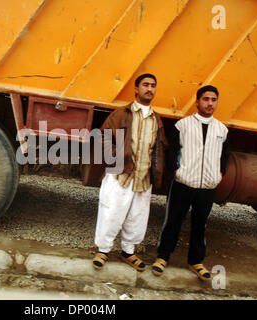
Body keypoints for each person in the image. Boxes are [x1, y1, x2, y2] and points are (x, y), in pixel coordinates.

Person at [151, 85, 229, 281]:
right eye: (206, 99)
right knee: (173, 222)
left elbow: (225, 157)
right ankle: (162, 257)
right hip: (184, 183)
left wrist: (219, 174)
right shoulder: (183, 125)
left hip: (207, 187)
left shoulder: (222, 129)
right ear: (198, 102)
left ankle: (196, 261)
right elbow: (172, 151)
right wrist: (178, 171)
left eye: (213, 99)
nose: (210, 103)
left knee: (200, 224)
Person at [92, 73, 167, 271]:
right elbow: (103, 137)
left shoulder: (156, 119)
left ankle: (128, 251)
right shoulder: (122, 113)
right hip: (120, 174)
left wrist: (156, 173)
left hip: (143, 178)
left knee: (137, 217)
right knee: (111, 212)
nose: (149, 89)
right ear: (136, 89)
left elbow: (159, 149)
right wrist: (115, 157)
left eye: (153, 85)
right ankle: (103, 250)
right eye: (145, 85)